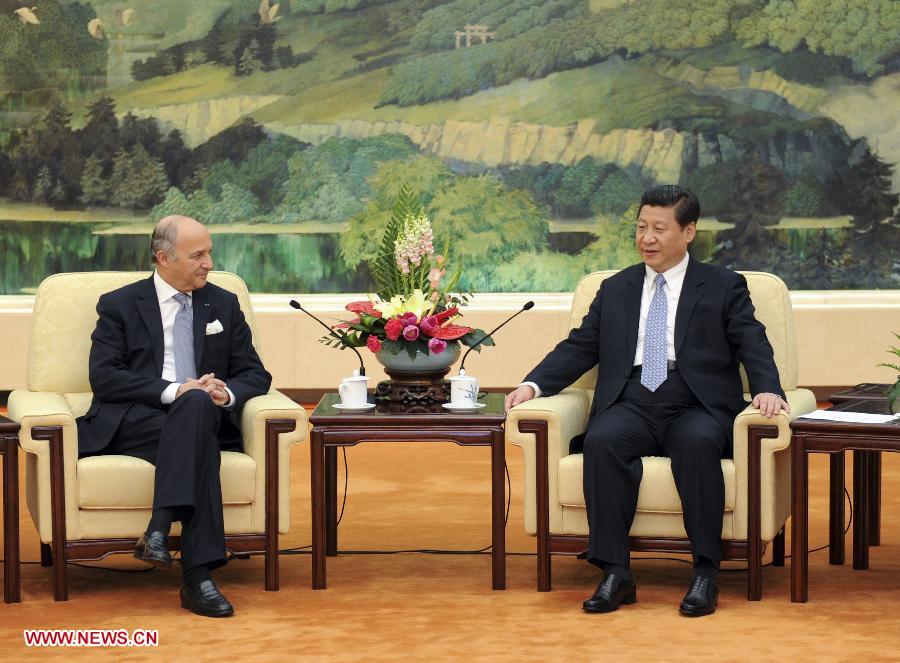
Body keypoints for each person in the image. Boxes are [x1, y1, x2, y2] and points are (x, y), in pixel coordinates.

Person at [505, 185, 788, 617]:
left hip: (696, 402)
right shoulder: (616, 287)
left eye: (659, 228)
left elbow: (753, 341)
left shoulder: (723, 286)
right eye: (641, 228)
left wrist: (768, 387)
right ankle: (615, 573)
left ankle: (705, 573)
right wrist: (533, 385)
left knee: (697, 445)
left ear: (688, 231)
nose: (647, 239)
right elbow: (581, 346)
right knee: (602, 440)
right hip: (631, 398)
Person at [76, 215, 271, 617]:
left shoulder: (223, 302)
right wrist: (174, 390)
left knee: (198, 406)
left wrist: (226, 392)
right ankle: (197, 577)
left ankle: (159, 531)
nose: (209, 263)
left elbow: (255, 373)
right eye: (197, 255)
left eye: (210, 253)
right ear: (163, 257)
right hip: (135, 419)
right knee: (197, 425)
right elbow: (105, 377)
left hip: (203, 417)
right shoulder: (121, 304)